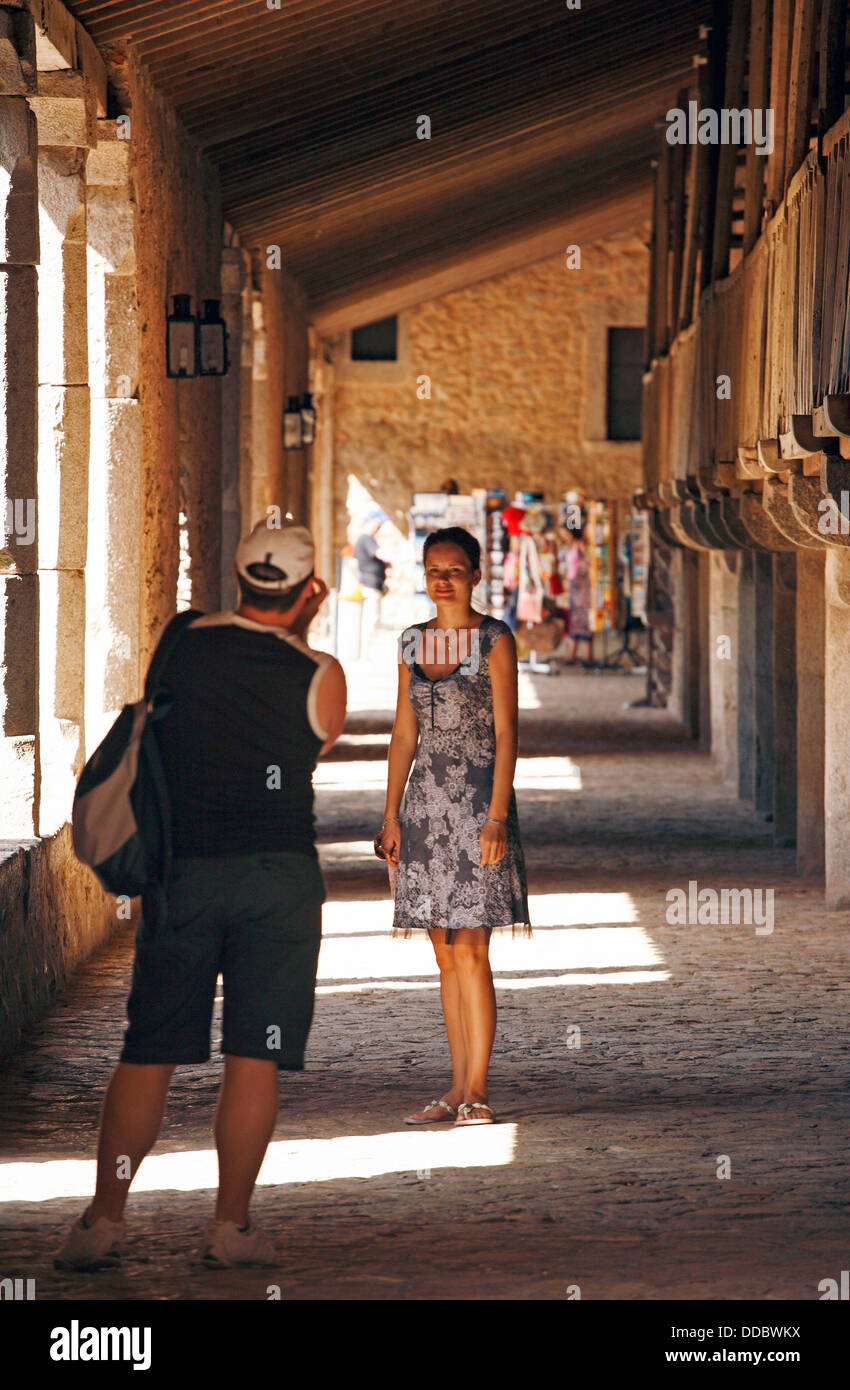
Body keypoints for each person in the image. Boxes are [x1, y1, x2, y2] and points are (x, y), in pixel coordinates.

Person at [54, 520, 347, 1271]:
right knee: (256, 1056)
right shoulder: (321, 675)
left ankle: (103, 1219)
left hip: (182, 875)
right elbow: (312, 742)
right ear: (309, 590)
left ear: (239, 577)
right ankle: (231, 1227)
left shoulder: (182, 639)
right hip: (278, 883)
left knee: (148, 1052)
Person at [379, 526, 530, 1128]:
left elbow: (508, 731)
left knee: (472, 948)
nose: (443, 578)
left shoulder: (495, 639)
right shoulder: (411, 644)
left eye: (455, 569)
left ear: (475, 574)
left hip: (476, 807)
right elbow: (402, 733)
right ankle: (454, 1084)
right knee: (444, 955)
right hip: (423, 811)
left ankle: (478, 1090)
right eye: (433, 568)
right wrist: (390, 814)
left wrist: (496, 817)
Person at [353, 510, 391, 655]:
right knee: (371, 619)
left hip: (369, 583)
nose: (380, 527)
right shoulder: (366, 538)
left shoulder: (362, 539)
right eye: (379, 523)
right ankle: (367, 652)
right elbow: (380, 554)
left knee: (370, 618)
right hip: (370, 585)